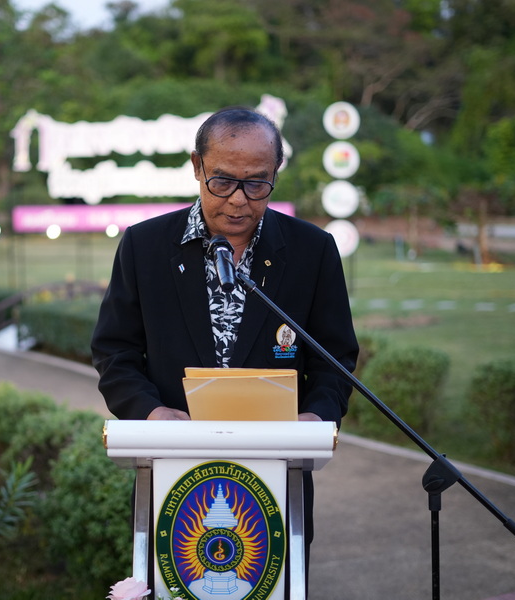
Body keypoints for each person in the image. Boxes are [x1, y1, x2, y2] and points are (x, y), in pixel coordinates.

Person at [91, 106, 359, 582]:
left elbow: (334, 359)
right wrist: (152, 413)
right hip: (176, 474)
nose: (238, 200)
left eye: (257, 183)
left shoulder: (311, 251)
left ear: (275, 175)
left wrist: (315, 417)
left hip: (278, 473)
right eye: (222, 181)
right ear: (197, 166)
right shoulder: (144, 246)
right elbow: (116, 353)